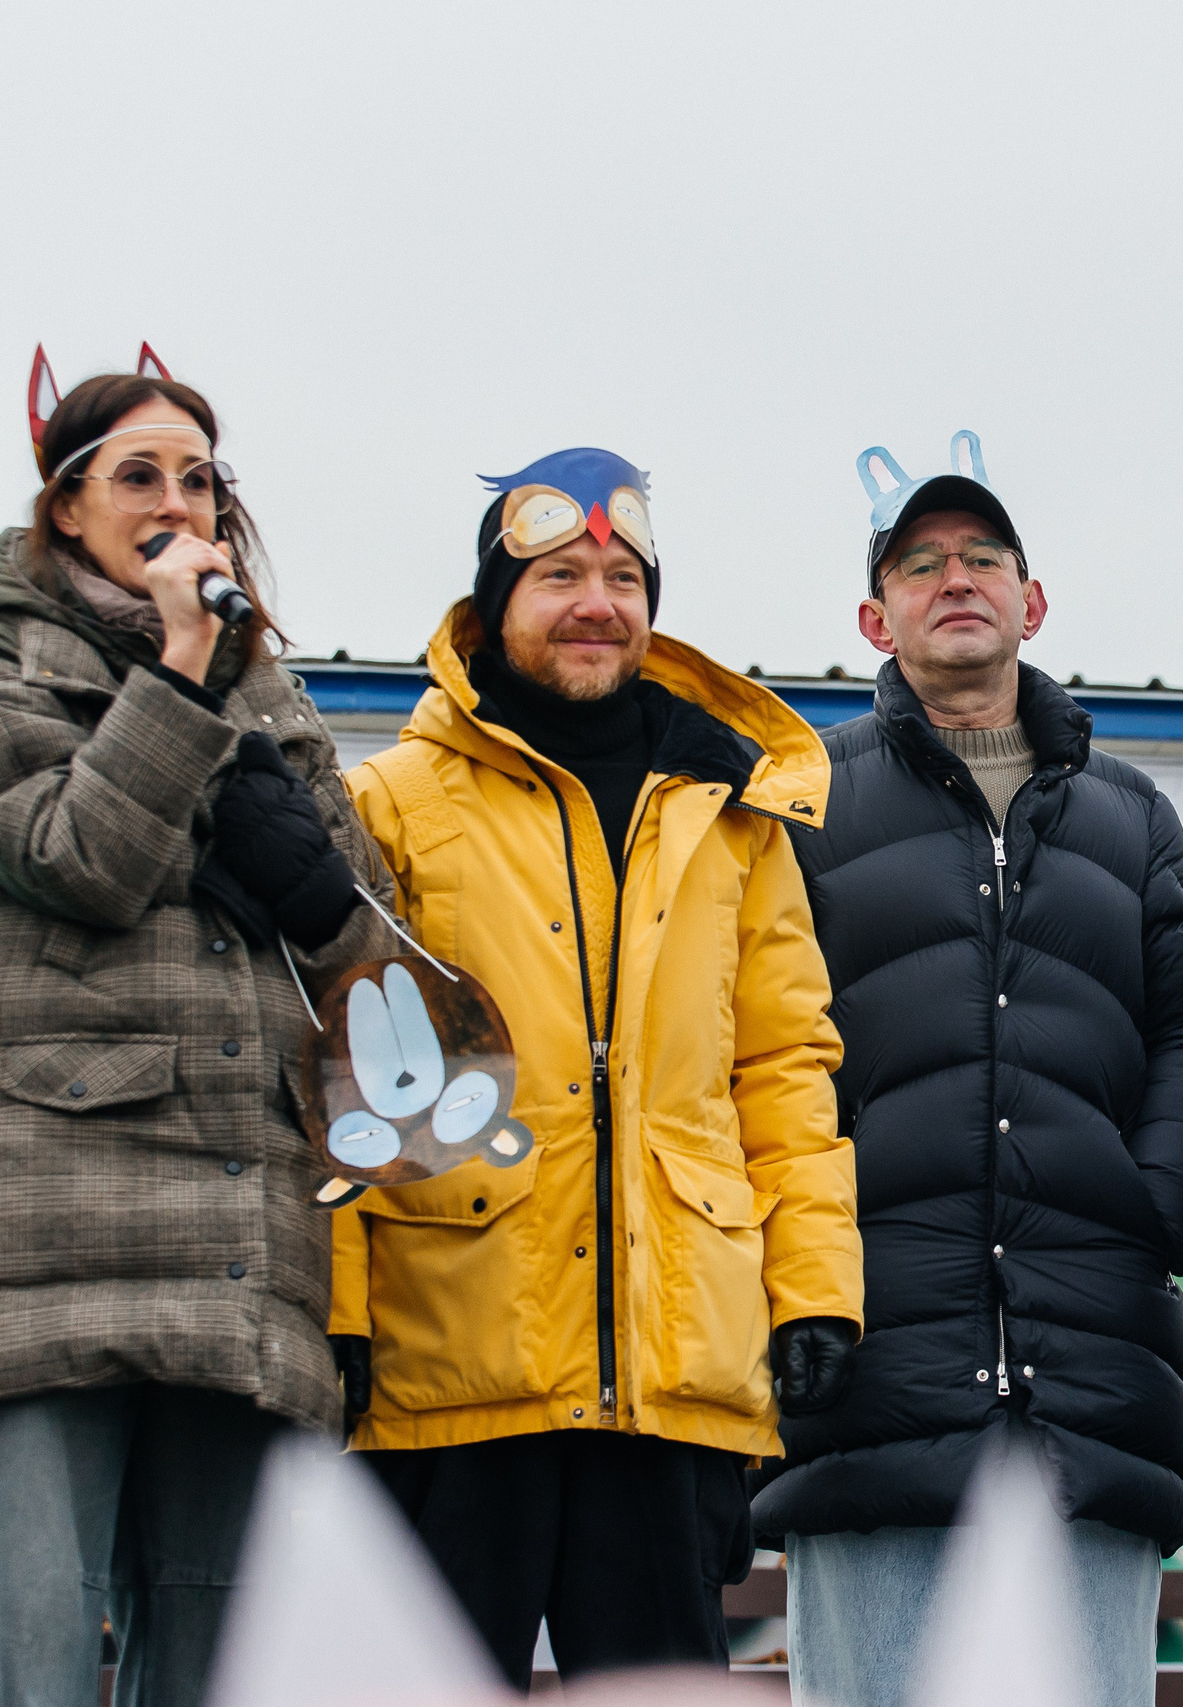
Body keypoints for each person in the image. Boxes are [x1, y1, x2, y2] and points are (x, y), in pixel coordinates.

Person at [0, 351, 396, 1707]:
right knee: (18, 1666)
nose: (176, 502)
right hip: (38, 1242)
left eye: (200, 480)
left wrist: (313, 876)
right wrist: (179, 682)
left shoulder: (268, 692)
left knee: (227, 1667)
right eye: (138, 476)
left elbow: (371, 965)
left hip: (238, 1257)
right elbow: (73, 854)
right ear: (64, 508)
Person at [330, 448, 862, 1688]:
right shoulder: (395, 803)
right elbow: (359, 1067)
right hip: (457, 1361)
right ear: (493, 602)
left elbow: (786, 1069)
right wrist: (340, 1307)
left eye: (623, 577)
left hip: (672, 1375)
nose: (596, 602)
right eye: (559, 573)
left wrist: (816, 1287)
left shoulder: (734, 815)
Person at [755, 435, 1183, 1707]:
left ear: (1033, 600)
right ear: (875, 614)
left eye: (982, 558)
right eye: (920, 563)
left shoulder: (1132, 816)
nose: (954, 578)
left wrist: (1155, 1209)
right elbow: (757, 1051)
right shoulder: (801, 805)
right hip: (877, 1368)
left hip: (1096, 1364)